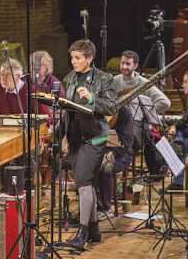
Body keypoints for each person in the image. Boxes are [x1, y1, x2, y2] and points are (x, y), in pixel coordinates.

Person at [60, 39, 118, 249]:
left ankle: (82, 234)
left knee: (83, 183)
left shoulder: (104, 78)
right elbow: (69, 111)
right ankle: (94, 230)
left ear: (89, 58)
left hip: (94, 138)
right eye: (72, 58)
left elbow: (112, 106)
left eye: (78, 58)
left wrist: (93, 98)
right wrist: (64, 135)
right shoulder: (71, 78)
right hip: (75, 137)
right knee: (87, 184)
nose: (73, 62)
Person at [113, 50, 171, 175]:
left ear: (135, 66)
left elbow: (165, 102)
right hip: (117, 121)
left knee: (128, 137)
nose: (124, 67)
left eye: (128, 64)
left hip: (137, 124)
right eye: (122, 63)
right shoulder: (115, 80)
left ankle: (120, 163)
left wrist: (145, 113)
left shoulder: (143, 83)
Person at [96, 104, 133, 219]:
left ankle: (106, 208)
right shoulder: (97, 107)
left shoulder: (124, 112)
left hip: (121, 154)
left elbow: (125, 142)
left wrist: (111, 151)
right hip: (99, 151)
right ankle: (89, 204)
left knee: (105, 166)